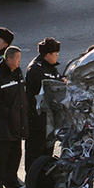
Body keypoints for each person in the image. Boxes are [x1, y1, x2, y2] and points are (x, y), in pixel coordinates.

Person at [0, 45, 29, 188]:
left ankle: (11, 179)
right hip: (2, 124)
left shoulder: (17, 72)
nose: (18, 62)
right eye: (16, 59)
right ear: (8, 59)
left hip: (16, 122)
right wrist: (7, 113)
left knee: (16, 153)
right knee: (0, 155)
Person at [24, 37, 63, 169]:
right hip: (37, 118)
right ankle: (33, 177)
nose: (57, 57)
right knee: (35, 150)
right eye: (56, 54)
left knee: (48, 148)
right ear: (47, 55)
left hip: (49, 118)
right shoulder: (36, 70)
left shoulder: (50, 67)